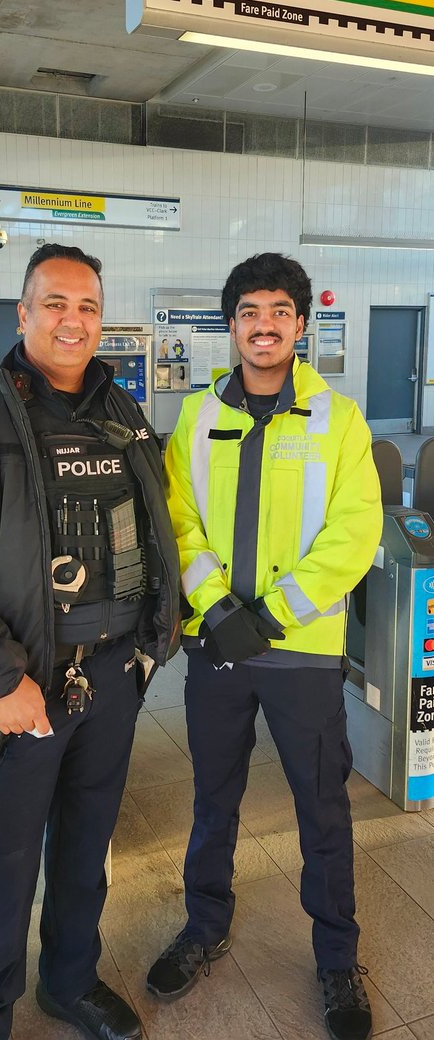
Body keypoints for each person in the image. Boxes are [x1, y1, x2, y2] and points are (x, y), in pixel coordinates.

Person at [0, 243, 179, 1040]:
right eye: (54, 303)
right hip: (24, 692)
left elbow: (157, 533)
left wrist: (153, 644)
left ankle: (70, 983)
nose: (72, 320)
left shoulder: (121, 414)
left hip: (114, 681)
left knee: (86, 847)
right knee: (6, 864)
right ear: (23, 315)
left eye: (87, 306)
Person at [146, 252, 382, 1040]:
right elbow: (177, 520)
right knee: (214, 798)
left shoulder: (338, 419)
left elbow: (354, 533)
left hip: (302, 655)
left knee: (322, 808)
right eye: (249, 311)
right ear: (232, 325)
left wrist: (271, 615)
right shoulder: (198, 416)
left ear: (302, 323)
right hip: (218, 647)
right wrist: (216, 608)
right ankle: (203, 926)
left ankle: (337, 960)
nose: (265, 324)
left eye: (280, 310)